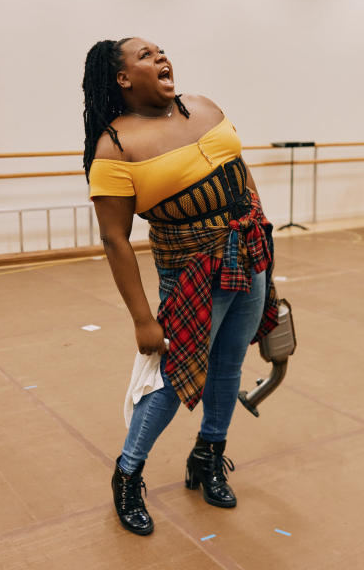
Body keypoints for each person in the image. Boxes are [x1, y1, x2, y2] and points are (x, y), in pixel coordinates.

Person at [82, 37, 279, 536]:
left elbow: (240, 169)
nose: (161, 58)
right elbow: (114, 239)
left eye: (161, 51)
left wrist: (261, 230)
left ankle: (207, 457)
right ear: (123, 79)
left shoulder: (206, 107)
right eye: (146, 56)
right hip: (191, 272)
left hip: (247, 254)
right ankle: (128, 474)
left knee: (229, 363)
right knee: (173, 379)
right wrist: (143, 320)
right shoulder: (115, 146)